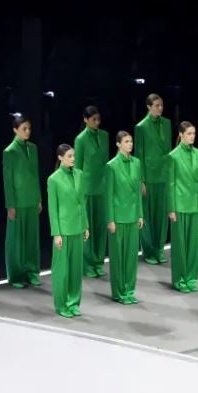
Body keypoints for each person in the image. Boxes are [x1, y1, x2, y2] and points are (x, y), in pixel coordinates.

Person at [47, 144, 88, 317]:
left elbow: (82, 202)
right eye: (69, 156)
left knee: (75, 270)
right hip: (63, 230)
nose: (73, 158)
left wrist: (85, 225)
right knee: (61, 270)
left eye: (73, 156)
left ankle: (73, 302)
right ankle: (61, 304)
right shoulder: (54, 179)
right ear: (60, 158)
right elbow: (52, 209)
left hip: (78, 228)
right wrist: (56, 233)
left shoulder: (79, 174)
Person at [105, 131, 144, 304]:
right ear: (118, 144)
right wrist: (110, 219)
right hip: (118, 217)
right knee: (118, 257)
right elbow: (109, 195)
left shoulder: (137, 163)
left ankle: (129, 290)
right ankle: (118, 291)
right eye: (126, 141)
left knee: (131, 257)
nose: (130, 144)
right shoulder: (111, 166)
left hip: (133, 215)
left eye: (131, 141)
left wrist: (140, 214)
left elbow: (137, 192)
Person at [3, 114, 41, 287]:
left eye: (29, 128)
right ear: (15, 130)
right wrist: (10, 205)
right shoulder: (9, 151)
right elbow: (8, 180)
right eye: (24, 129)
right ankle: (16, 275)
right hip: (18, 201)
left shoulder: (33, 148)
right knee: (16, 240)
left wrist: (39, 198)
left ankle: (32, 271)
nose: (27, 132)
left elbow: (35, 175)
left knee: (32, 239)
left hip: (32, 199)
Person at [135, 93, 172, 264]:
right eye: (157, 105)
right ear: (149, 107)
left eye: (161, 105)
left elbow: (169, 151)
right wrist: (141, 180)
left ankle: (159, 249)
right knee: (148, 215)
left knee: (162, 214)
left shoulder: (167, 123)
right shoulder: (141, 127)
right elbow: (139, 155)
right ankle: (149, 251)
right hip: (149, 177)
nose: (160, 108)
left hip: (164, 175)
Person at [168, 121, 198, 293]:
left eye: (194, 133)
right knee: (180, 245)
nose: (192, 136)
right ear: (181, 135)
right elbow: (171, 184)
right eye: (189, 133)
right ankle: (179, 279)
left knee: (193, 245)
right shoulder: (173, 156)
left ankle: (191, 277)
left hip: (195, 204)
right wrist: (171, 208)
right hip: (180, 205)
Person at [74, 106, 109, 277]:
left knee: (101, 227)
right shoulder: (80, 139)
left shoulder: (105, 136)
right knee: (88, 227)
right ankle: (87, 264)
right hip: (87, 189)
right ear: (85, 120)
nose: (97, 122)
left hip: (102, 188)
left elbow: (106, 163)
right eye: (93, 119)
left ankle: (98, 262)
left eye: (98, 119)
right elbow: (77, 167)